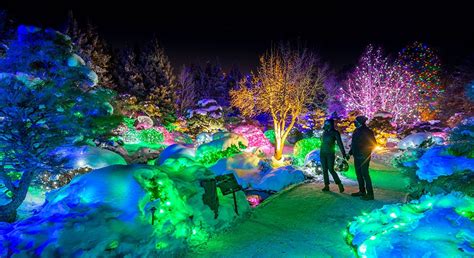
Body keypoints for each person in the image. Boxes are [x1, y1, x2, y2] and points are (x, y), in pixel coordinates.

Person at [347, 116, 377, 200]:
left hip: (364, 156)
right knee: (359, 174)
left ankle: (370, 194)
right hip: (357, 156)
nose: (354, 122)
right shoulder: (356, 131)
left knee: (365, 174)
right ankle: (362, 191)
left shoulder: (368, 132)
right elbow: (354, 144)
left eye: (356, 121)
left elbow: (373, 144)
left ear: (360, 122)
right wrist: (349, 153)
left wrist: (365, 153)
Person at [320, 119, 346, 193]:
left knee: (331, 169)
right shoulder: (324, 132)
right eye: (325, 123)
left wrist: (343, 153)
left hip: (330, 153)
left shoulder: (335, 133)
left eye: (327, 124)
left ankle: (339, 184)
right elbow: (322, 141)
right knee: (324, 170)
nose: (325, 125)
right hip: (322, 153)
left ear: (331, 124)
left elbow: (340, 143)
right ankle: (326, 186)